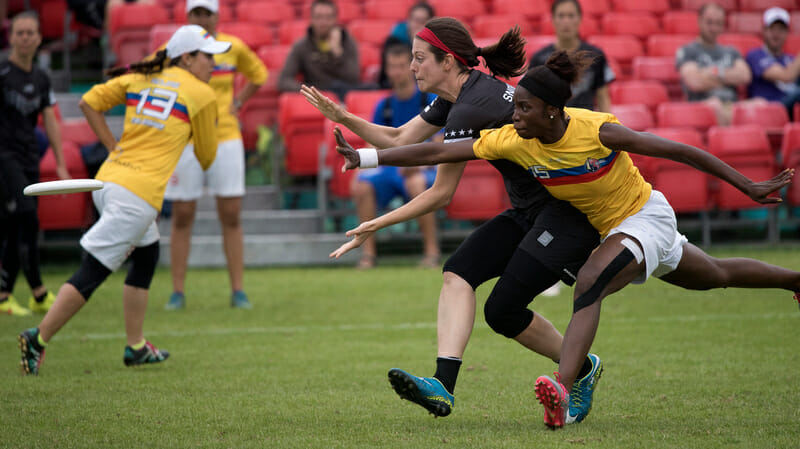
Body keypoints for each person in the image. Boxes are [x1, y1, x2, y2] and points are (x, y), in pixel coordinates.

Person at [333, 50, 800, 429]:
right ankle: (795, 280)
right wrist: (366, 158)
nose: (514, 116)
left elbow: (680, 150)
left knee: (590, 282)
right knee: (712, 274)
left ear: (552, 111)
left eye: (525, 109)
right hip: (606, 228)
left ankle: (562, 384)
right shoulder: (514, 138)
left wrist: (749, 186)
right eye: (514, 108)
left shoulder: (597, 130)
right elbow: (437, 148)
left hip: (643, 217)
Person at [303, 18, 603, 423]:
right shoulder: (458, 95)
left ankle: (581, 369)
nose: (412, 67)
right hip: (531, 211)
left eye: (420, 58)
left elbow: (441, 192)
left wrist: (375, 224)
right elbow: (396, 140)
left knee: (502, 309)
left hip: (564, 215)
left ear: (448, 62)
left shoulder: (470, 106)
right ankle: (444, 386)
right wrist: (343, 116)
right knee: (458, 273)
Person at [17, 24, 228, 375]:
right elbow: (207, 158)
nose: (214, 64)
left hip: (108, 181)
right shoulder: (202, 95)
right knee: (93, 271)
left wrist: (114, 148)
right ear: (188, 58)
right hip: (137, 196)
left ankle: (136, 347)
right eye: (208, 57)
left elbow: (89, 102)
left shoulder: (142, 77)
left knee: (147, 255)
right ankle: (37, 338)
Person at [162, 0, 267, 311]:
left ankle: (238, 290)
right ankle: (177, 291)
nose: (202, 18)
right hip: (185, 138)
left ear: (217, 15)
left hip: (225, 137)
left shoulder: (231, 47)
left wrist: (238, 102)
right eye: (197, 13)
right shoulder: (175, 49)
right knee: (182, 214)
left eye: (207, 13)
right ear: (188, 15)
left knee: (231, 214)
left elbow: (258, 74)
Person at [0, 11, 70, 317]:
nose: (25, 38)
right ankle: (39, 291)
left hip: (30, 157)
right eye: (20, 33)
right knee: (26, 215)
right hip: (4, 157)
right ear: (11, 37)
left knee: (19, 225)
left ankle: (4, 296)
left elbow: (50, 119)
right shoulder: (2, 73)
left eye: (30, 33)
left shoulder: (41, 77)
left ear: (40, 38)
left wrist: (61, 163)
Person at [353, 39, 440, 269]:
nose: (398, 71)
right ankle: (368, 255)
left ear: (412, 67)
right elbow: (372, 144)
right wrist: (360, 162)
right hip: (392, 170)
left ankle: (431, 251)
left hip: (425, 169)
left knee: (416, 183)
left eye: (402, 65)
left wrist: (417, 165)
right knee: (362, 184)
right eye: (392, 66)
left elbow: (441, 147)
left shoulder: (429, 100)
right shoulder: (384, 106)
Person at [676, 2, 763, 126]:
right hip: (703, 105)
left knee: (761, 103)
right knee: (715, 105)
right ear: (699, 21)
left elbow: (745, 76)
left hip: (733, 104)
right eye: (709, 22)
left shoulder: (731, 51)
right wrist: (728, 77)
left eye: (718, 23)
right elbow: (695, 82)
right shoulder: (688, 51)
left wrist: (712, 73)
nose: (714, 28)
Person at [529, 0, 614, 112]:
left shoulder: (595, 56)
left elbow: (603, 97)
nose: (566, 21)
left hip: (585, 125)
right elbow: (531, 98)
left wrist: (606, 124)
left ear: (579, 19)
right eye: (561, 16)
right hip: (552, 127)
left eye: (571, 16)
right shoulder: (539, 59)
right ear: (553, 20)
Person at [278, 0, 360, 101]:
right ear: (311, 19)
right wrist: (312, 92)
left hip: (344, 97)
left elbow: (353, 78)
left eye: (328, 17)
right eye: (319, 17)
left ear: (335, 19)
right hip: (317, 97)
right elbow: (284, 81)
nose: (323, 22)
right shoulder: (301, 46)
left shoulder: (348, 43)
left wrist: (337, 52)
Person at [745, 7, 800, 118]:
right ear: (764, 30)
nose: (776, 34)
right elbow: (786, 76)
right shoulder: (756, 55)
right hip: (770, 107)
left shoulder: (791, 59)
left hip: (792, 106)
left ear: (787, 33)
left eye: (781, 29)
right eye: (772, 29)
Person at [379, 3, 436, 89]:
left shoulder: (436, 43)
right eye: (415, 20)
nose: (418, 25)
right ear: (408, 21)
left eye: (423, 21)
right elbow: (386, 73)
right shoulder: (393, 40)